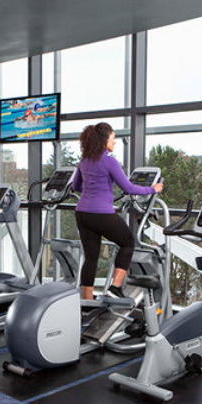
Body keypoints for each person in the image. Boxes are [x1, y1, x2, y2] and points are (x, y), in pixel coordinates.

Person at [72, 122, 164, 301]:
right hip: (101, 214)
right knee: (128, 242)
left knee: (91, 258)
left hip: (82, 213)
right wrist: (152, 189)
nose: (114, 142)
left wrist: (94, 191)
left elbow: (76, 186)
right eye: (113, 138)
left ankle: (87, 302)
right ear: (104, 140)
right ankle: (115, 288)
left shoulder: (84, 161)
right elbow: (128, 188)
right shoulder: (109, 161)